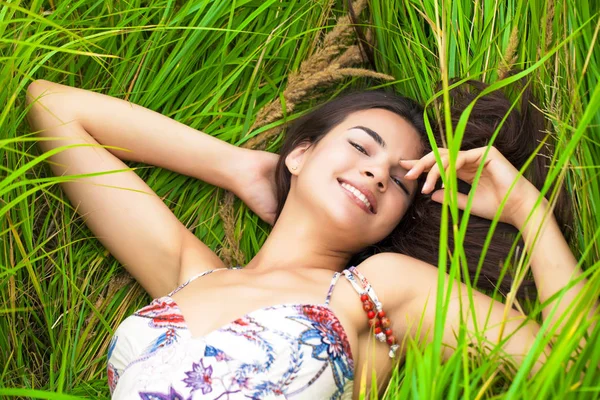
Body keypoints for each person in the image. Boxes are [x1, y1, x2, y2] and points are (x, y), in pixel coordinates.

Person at [25, 78, 591, 399]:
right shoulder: (190, 272)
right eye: (362, 147)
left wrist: (526, 208)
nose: (375, 173)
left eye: (399, 179)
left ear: (396, 217)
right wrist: (240, 168)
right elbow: (54, 107)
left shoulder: (376, 289)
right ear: (301, 153)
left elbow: (576, 364)